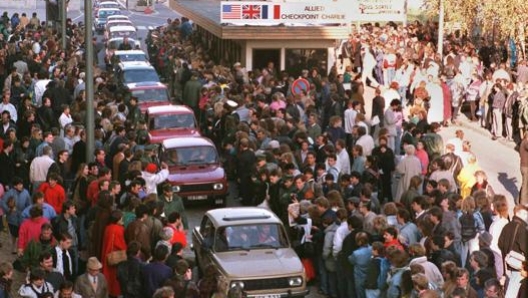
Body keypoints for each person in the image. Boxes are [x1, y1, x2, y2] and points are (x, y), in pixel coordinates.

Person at [101, 210, 127, 298]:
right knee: (115, 280)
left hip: (107, 255)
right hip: (116, 258)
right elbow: (121, 244)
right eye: (121, 218)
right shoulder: (119, 229)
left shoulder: (108, 228)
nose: (122, 220)